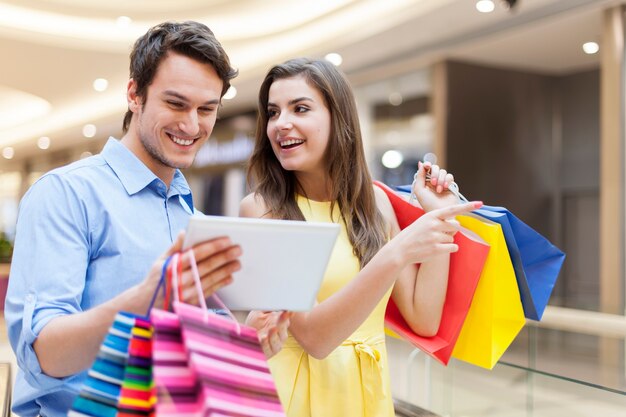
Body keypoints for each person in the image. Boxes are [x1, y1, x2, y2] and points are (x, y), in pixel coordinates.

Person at [6, 21, 289, 417]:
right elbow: (44, 355)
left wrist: (246, 343)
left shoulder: (194, 216)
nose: (192, 126)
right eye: (176, 104)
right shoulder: (66, 195)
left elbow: (190, 360)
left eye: (206, 109)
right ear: (134, 94)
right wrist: (144, 301)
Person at [241, 58, 481, 417]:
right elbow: (315, 339)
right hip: (293, 399)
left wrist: (438, 217)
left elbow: (424, 319)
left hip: (366, 396)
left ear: (338, 117)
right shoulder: (261, 210)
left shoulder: (376, 203)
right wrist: (396, 252)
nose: (281, 123)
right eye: (273, 112)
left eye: (300, 108)